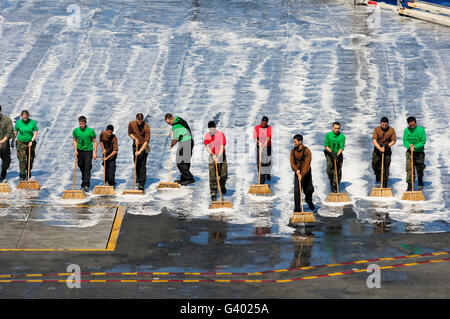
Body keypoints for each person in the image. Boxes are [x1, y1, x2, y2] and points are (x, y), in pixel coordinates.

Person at [165, 113, 195, 186]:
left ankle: (189, 178)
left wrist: (171, 144)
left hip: (185, 143)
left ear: (172, 119)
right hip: (189, 141)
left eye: (169, 122)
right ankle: (185, 178)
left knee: (179, 162)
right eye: (167, 123)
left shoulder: (176, 126)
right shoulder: (178, 119)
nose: (169, 124)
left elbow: (175, 139)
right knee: (186, 161)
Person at [290, 134, 315, 211]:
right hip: (297, 172)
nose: (294, 143)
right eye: (293, 142)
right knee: (297, 192)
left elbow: (307, 164)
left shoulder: (307, 151)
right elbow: (292, 162)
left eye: (295, 142)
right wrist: (297, 171)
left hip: (306, 173)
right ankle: (297, 209)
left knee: (308, 190)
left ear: (300, 141)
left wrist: (302, 174)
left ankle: (309, 201)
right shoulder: (293, 151)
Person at [72, 116, 97, 192]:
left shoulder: (90, 131)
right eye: (80, 124)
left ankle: (86, 184)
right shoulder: (76, 131)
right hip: (80, 151)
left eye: (82, 124)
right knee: (81, 165)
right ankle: (84, 179)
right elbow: (75, 140)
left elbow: (95, 141)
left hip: (88, 151)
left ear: (85, 123)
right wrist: (75, 150)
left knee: (87, 167)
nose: (81, 125)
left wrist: (95, 152)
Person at [204, 121, 227, 202]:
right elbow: (207, 146)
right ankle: (213, 193)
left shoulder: (220, 135)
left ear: (215, 127)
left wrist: (218, 156)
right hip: (212, 155)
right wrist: (213, 154)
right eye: (210, 129)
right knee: (212, 175)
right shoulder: (207, 135)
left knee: (223, 174)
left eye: (213, 128)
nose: (212, 130)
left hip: (221, 155)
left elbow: (222, 147)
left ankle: (222, 184)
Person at [128, 113, 150, 191]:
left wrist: (140, 151)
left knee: (142, 164)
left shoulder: (146, 127)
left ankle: (142, 183)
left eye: (141, 121)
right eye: (138, 121)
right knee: (136, 162)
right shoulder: (131, 123)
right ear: (136, 119)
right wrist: (135, 139)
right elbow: (130, 133)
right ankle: (138, 177)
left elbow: (146, 141)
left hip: (144, 146)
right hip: (136, 144)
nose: (139, 123)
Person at [372, 117, 396, 188]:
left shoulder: (391, 130)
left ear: (387, 124)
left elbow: (393, 141)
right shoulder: (376, 130)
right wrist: (380, 148)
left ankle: (385, 182)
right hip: (377, 149)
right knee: (375, 165)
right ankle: (377, 174)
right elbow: (374, 141)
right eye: (383, 125)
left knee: (386, 167)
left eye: (385, 125)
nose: (384, 126)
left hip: (387, 149)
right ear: (381, 123)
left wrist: (386, 146)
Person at [403, 116, 426, 191]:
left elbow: (423, 142)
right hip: (410, 152)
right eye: (410, 125)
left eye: (413, 125)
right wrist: (409, 146)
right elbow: (405, 141)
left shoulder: (421, 130)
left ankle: (420, 179)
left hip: (419, 152)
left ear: (415, 123)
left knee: (419, 168)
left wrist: (415, 146)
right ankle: (409, 184)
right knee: (409, 168)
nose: (412, 127)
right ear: (408, 124)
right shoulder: (406, 130)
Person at [14, 110, 38, 181]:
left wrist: (32, 140)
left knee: (30, 159)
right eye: (23, 117)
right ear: (21, 116)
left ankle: (28, 170)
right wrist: (13, 140)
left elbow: (35, 131)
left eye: (26, 117)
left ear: (28, 116)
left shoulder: (32, 122)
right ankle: (22, 175)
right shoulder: (18, 123)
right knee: (22, 159)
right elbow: (16, 131)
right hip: (21, 143)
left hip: (30, 143)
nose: (25, 118)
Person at [324, 122, 345, 193]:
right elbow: (326, 146)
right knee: (329, 169)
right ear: (333, 128)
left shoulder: (342, 136)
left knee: (337, 170)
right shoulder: (328, 135)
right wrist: (332, 153)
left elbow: (341, 147)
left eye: (338, 128)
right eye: (335, 128)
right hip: (329, 153)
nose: (337, 130)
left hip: (338, 154)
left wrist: (337, 155)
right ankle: (331, 180)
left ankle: (335, 186)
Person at [253, 116, 272, 183]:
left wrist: (263, 145)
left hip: (267, 146)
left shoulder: (269, 128)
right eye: (262, 122)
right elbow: (255, 137)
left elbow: (268, 138)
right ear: (261, 121)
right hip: (259, 146)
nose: (263, 124)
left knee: (267, 162)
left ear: (267, 123)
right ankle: (262, 178)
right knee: (259, 163)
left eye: (265, 123)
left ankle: (267, 173)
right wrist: (259, 143)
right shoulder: (257, 127)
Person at [0, 106, 14, 182]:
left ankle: (3, 172)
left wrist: (2, 141)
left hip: (5, 145)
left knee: (7, 162)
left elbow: (10, 132)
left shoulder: (7, 120)